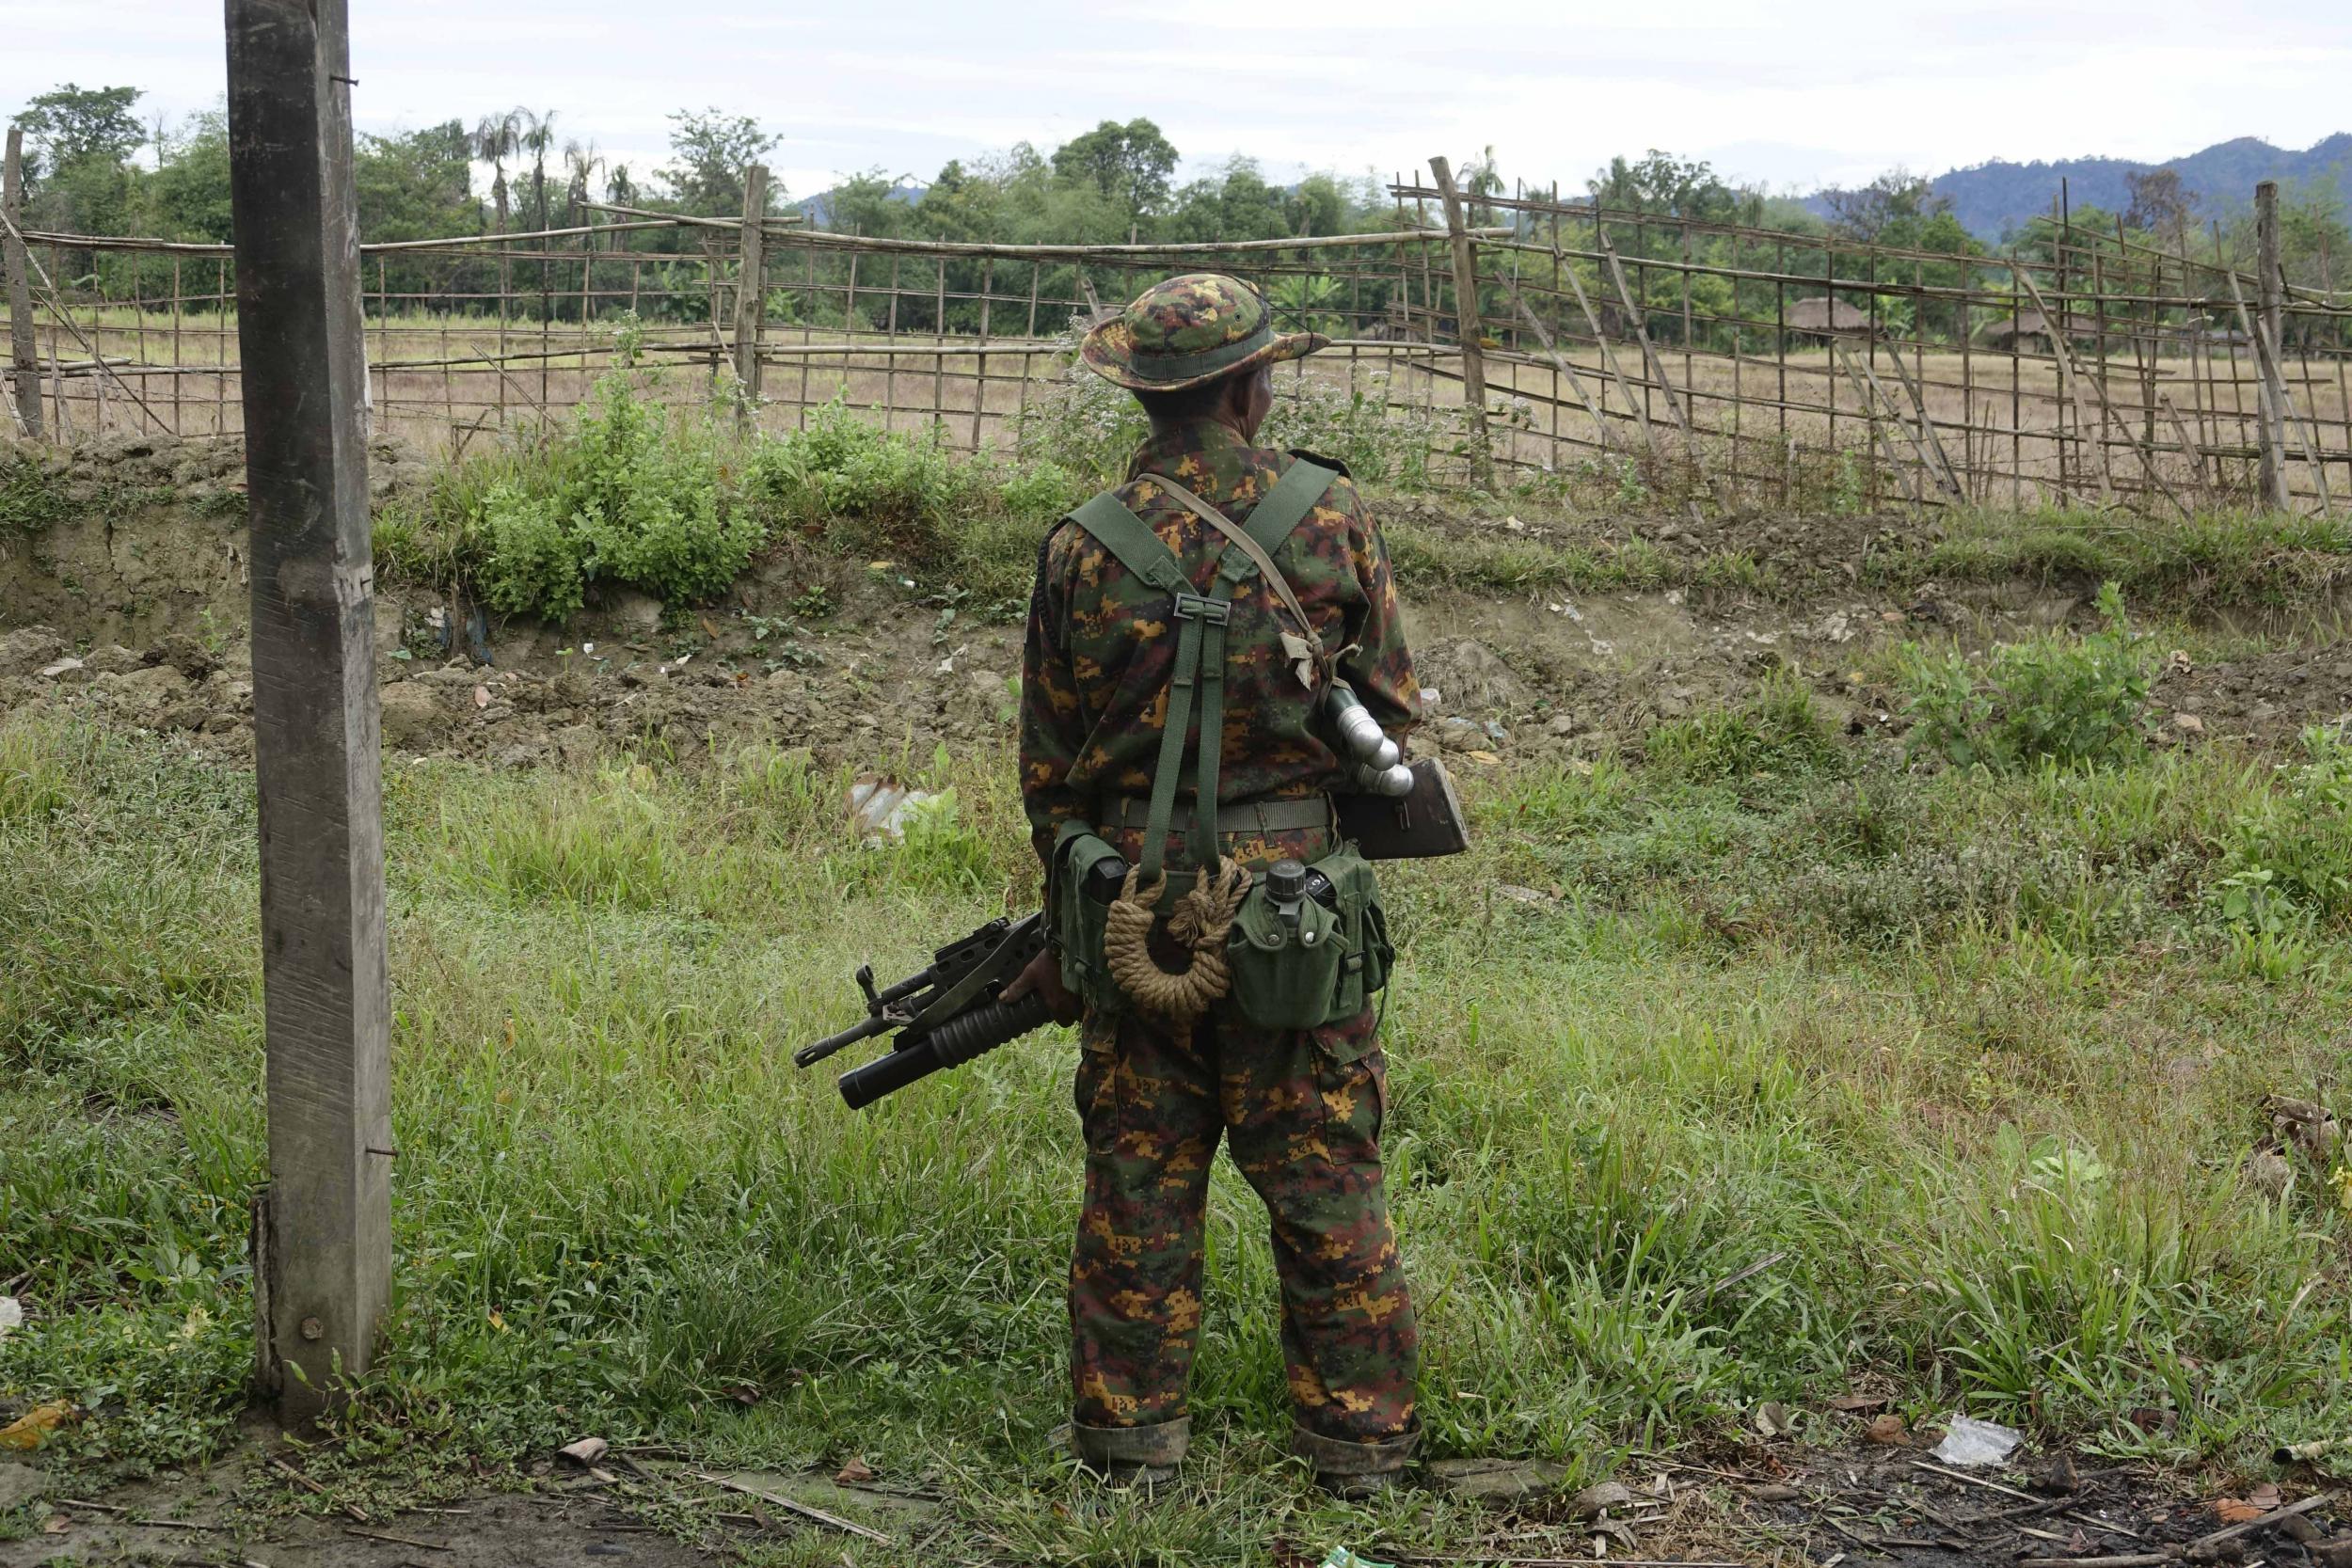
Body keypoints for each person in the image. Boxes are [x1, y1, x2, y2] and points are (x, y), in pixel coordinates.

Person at [1002, 273, 1421, 1497]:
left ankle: (1130, 1452)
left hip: (1139, 913)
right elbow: (1389, 719)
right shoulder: (1331, 516)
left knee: (1139, 1180)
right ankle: (1361, 1452)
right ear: (1252, 385)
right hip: (1297, 922)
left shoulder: (1083, 545)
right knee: (1328, 1180)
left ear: (1141, 390)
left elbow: (1048, 773)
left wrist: (1093, 891)